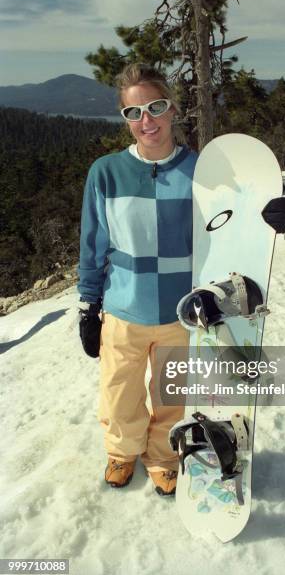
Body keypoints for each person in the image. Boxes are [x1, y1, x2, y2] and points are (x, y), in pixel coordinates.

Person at [77, 63, 197, 495]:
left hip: (180, 313)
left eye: (155, 106)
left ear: (172, 109)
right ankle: (122, 452)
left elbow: (228, 231)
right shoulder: (106, 173)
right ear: (125, 119)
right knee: (120, 393)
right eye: (134, 112)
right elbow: (93, 244)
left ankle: (164, 457)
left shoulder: (200, 171)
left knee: (171, 394)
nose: (147, 120)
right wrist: (89, 304)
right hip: (124, 310)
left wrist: (267, 215)